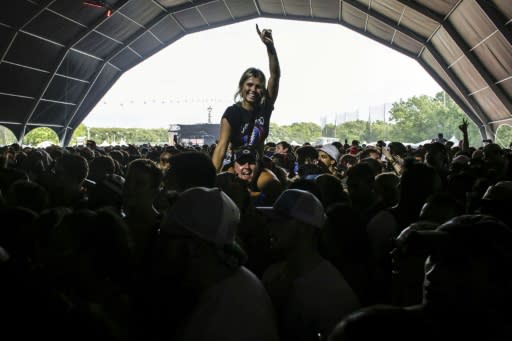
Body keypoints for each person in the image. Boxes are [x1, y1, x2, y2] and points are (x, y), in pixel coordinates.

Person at [212, 24, 281, 172]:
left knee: (272, 185)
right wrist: (211, 179)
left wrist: (270, 47)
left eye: (258, 86)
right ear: (242, 86)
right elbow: (222, 146)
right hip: (237, 165)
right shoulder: (232, 113)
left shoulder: (265, 107)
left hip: (258, 166)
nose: (253, 90)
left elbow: (275, 76)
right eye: (249, 84)